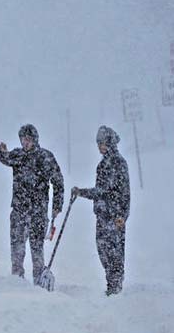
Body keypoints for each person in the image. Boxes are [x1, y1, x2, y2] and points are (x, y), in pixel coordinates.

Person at [0, 124, 64, 284]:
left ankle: (38, 280)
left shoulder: (45, 157)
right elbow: (5, 159)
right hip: (19, 210)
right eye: (22, 139)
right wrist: (2, 152)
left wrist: (57, 205)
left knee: (36, 248)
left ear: (35, 140)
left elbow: (58, 182)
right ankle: (17, 280)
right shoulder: (18, 155)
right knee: (17, 248)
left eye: (28, 139)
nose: (25, 143)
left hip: (38, 212)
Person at [72, 125, 130, 296]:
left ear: (110, 143)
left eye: (102, 143)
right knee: (103, 251)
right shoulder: (102, 165)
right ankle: (111, 283)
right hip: (102, 216)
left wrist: (122, 215)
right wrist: (81, 192)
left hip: (114, 216)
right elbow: (100, 192)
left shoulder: (119, 163)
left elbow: (124, 192)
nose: (99, 146)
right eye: (98, 143)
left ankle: (115, 287)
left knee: (115, 253)